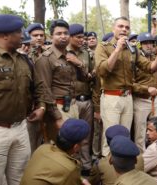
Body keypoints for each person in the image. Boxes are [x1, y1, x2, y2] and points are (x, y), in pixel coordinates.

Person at [0, 14, 46, 185]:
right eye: (19, 31)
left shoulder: (23, 58)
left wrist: (41, 106)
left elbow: (37, 86)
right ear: (6, 35)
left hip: (20, 127)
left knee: (20, 177)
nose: (23, 35)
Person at [95, 16, 157, 155]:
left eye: (127, 27)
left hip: (127, 97)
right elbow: (103, 70)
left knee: (125, 136)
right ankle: (108, 170)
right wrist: (117, 50)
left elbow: (150, 68)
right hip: (111, 97)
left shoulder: (133, 49)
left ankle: (122, 168)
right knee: (111, 135)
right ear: (113, 28)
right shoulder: (103, 47)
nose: (124, 30)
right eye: (120, 26)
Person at [35, 19, 88, 141]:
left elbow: (84, 79)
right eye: (59, 34)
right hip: (58, 108)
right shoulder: (45, 59)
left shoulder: (71, 56)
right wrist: (57, 117)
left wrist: (79, 63)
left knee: (74, 144)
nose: (63, 36)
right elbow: (44, 90)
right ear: (51, 36)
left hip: (73, 105)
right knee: (59, 146)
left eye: (66, 33)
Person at [20, 119, 91, 185]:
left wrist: (79, 179)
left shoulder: (43, 148)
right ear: (76, 147)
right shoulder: (69, 168)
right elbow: (67, 172)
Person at [67, 23, 95, 176]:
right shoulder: (63, 52)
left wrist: (79, 64)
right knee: (72, 135)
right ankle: (72, 165)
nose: (82, 40)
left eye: (83, 37)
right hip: (71, 101)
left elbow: (90, 75)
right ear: (70, 37)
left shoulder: (86, 53)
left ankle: (86, 165)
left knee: (86, 135)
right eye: (78, 37)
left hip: (86, 99)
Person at [133, 32, 157, 151]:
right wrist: (146, 89)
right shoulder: (135, 59)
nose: (149, 46)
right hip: (140, 99)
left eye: (151, 43)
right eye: (145, 43)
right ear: (140, 45)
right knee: (140, 132)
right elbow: (130, 84)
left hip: (156, 99)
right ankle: (141, 158)